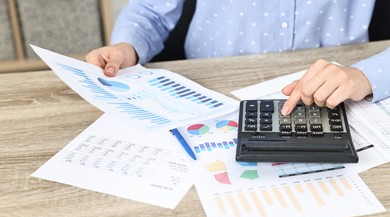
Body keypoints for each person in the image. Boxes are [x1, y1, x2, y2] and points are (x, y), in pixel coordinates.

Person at [86, 0, 390, 115]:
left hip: (336, 98)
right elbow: (150, 10)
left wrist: (366, 75)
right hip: (211, 94)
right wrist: (128, 47)